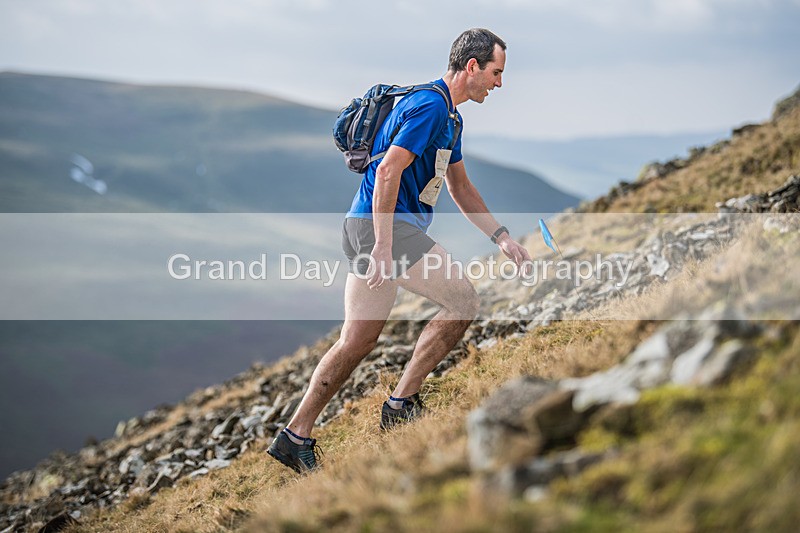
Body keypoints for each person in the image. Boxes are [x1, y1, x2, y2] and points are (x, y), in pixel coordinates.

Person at [268, 28, 532, 473]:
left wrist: (501, 237)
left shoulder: (450, 119)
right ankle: (401, 403)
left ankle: (294, 436)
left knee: (357, 340)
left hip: (362, 226)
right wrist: (385, 245)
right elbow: (389, 171)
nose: (499, 83)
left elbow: (460, 186)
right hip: (385, 230)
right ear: (472, 67)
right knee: (462, 300)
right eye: (496, 72)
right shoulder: (430, 106)